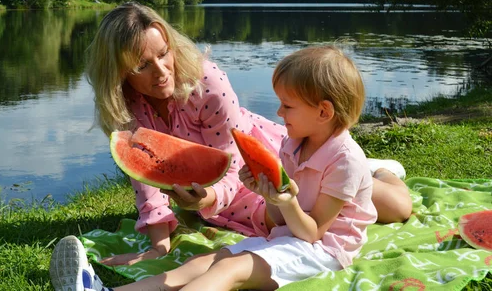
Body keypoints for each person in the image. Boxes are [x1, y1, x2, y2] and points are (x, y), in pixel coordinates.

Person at [50, 45, 385, 291]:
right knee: (205, 261)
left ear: (324, 112)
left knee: (230, 270)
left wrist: (285, 202)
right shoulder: (292, 143)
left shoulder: (346, 160)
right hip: (286, 235)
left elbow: (313, 233)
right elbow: (281, 219)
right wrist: (266, 194)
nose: (279, 114)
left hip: (324, 250)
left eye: (287, 106)